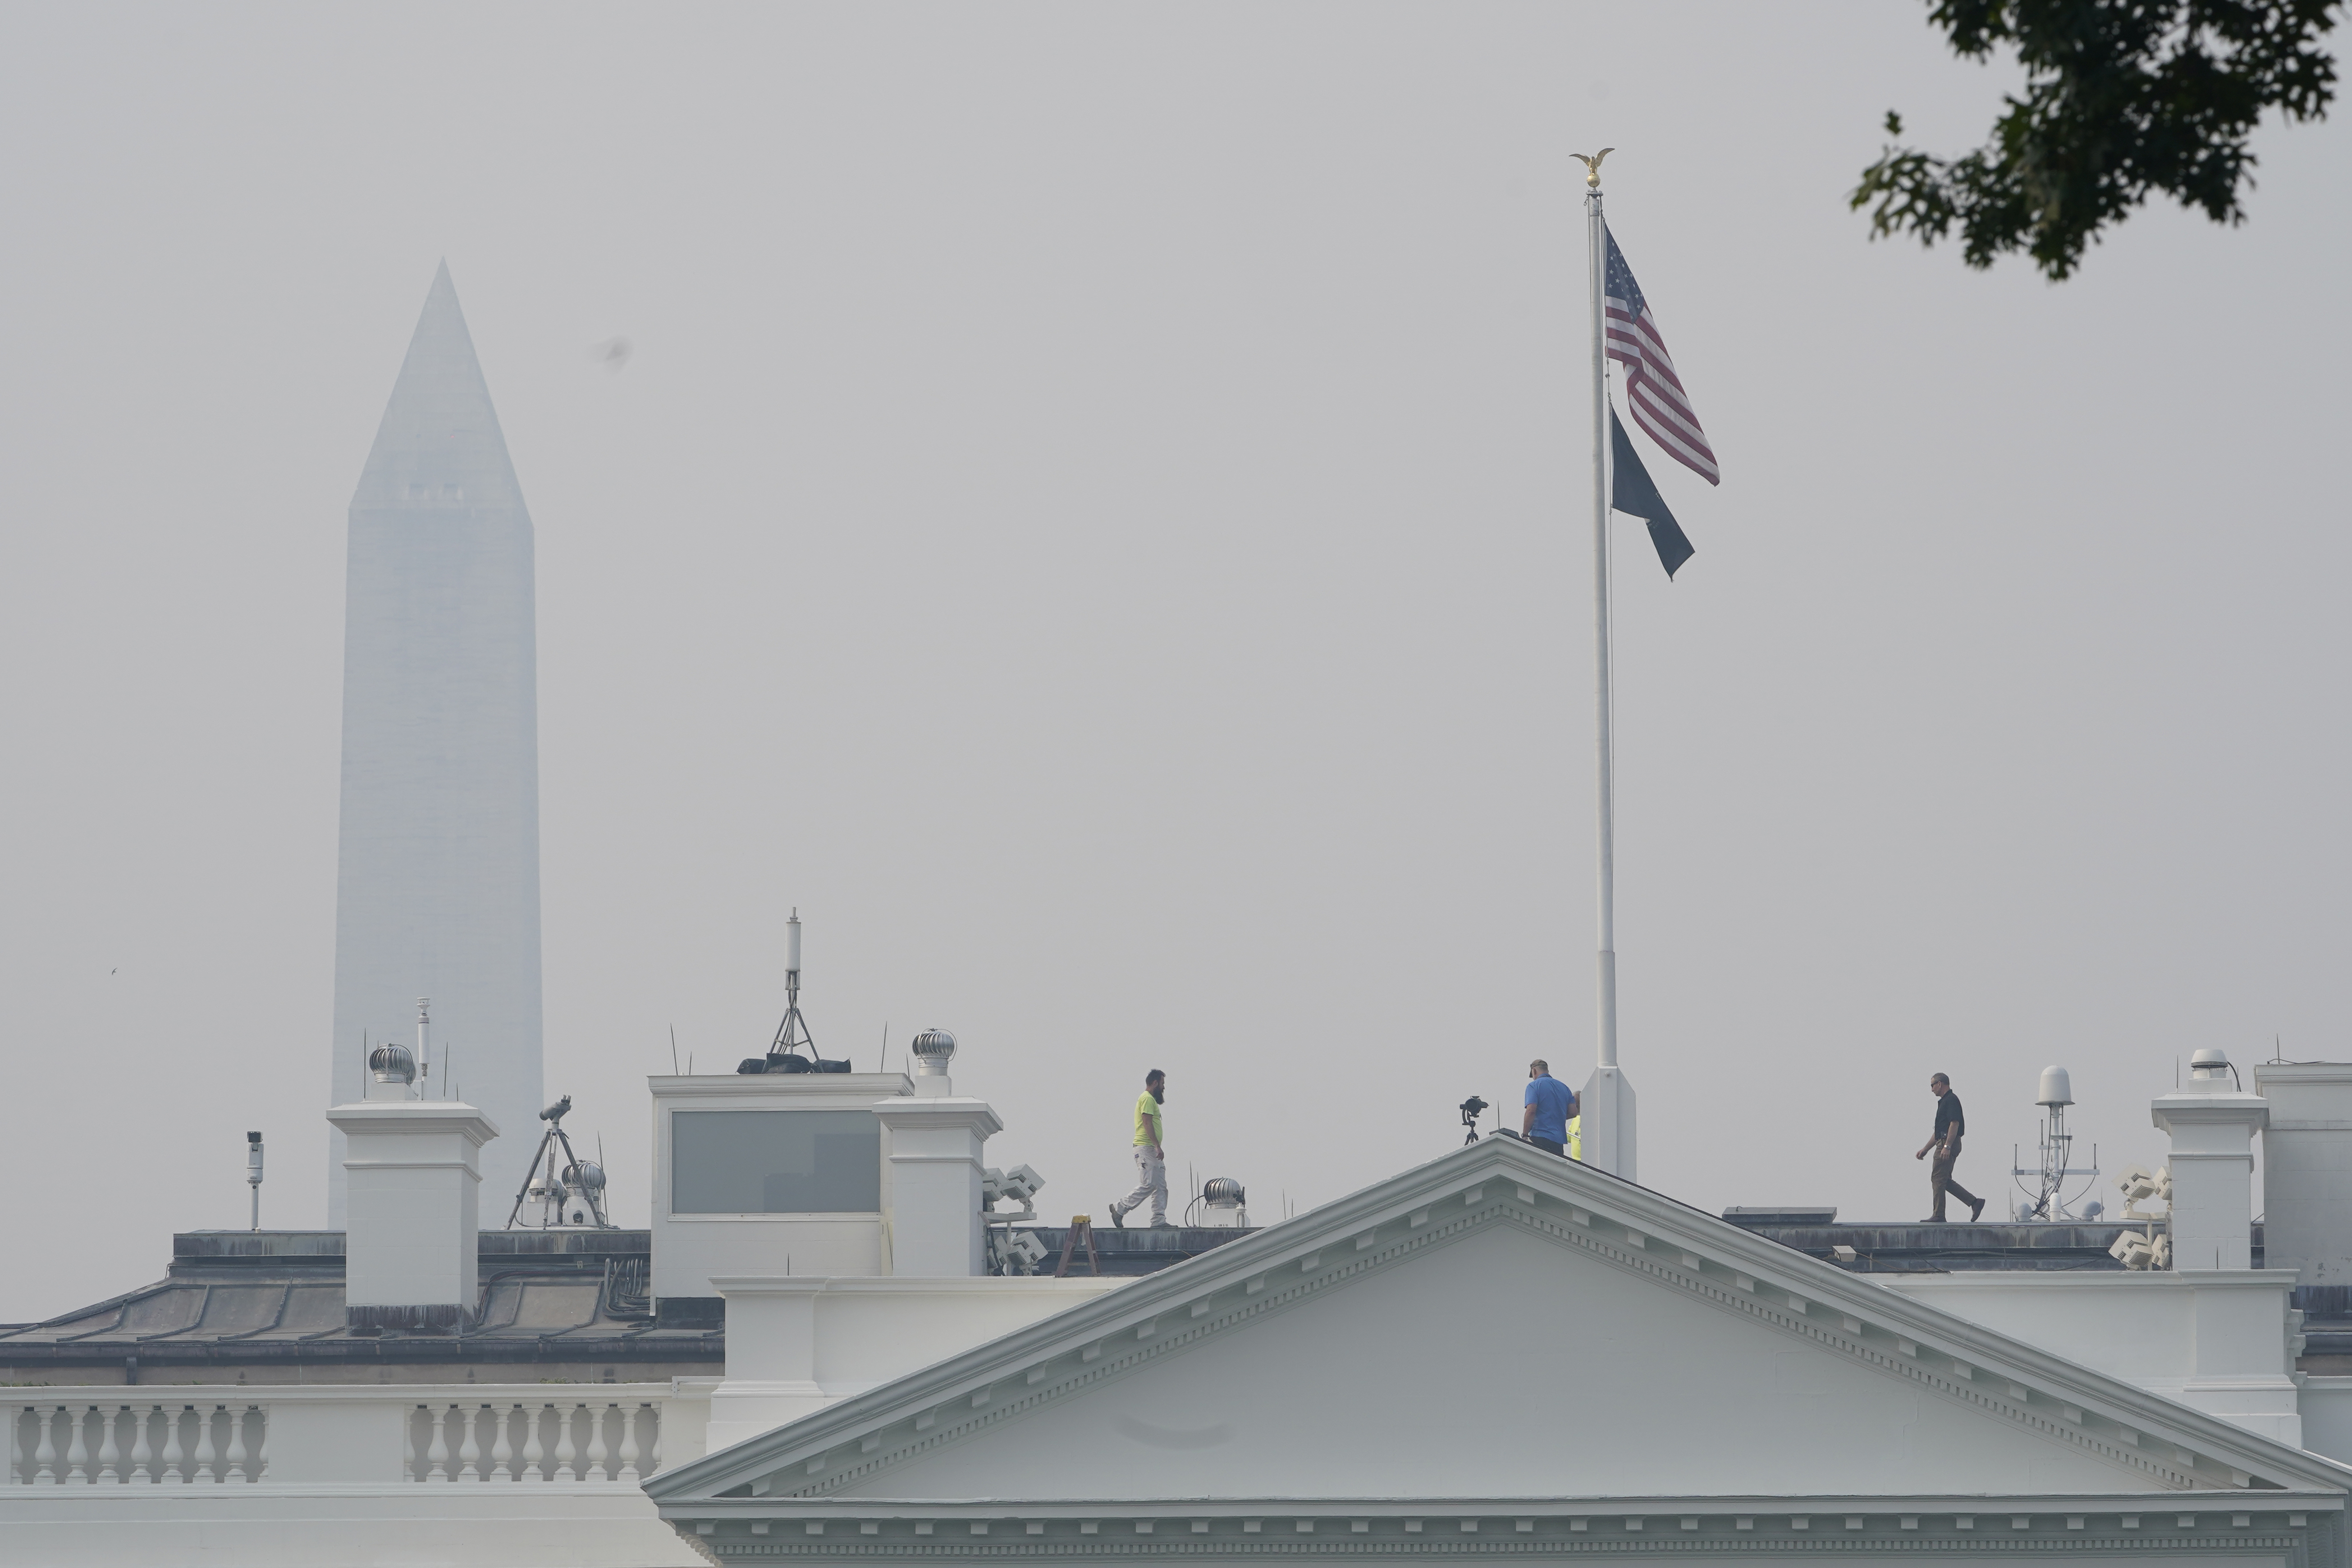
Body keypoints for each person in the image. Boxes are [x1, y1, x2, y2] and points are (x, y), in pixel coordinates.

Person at [1916, 1072, 1986, 1222]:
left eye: (1933, 1085)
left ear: (1940, 1084)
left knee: (1938, 1178)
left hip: (1947, 1143)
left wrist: (1947, 1146)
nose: (1932, 1089)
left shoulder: (1951, 1100)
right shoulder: (1945, 1102)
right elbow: (1939, 1131)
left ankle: (1939, 1215)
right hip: (1944, 1142)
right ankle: (1975, 1202)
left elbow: (1955, 1123)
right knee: (1944, 1180)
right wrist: (1926, 1149)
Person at [1109, 1069, 1169, 1228]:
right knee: (1149, 1183)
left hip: (1151, 1149)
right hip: (1146, 1148)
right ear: (1155, 1083)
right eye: (1162, 1083)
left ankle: (1158, 1220)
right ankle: (1120, 1208)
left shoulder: (1150, 1100)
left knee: (1160, 1186)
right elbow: (1147, 1122)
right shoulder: (1147, 1099)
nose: (1164, 1087)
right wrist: (1157, 1146)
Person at [1521, 1059, 1578, 1158]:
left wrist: (1525, 1135)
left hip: (1540, 1137)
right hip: (1558, 1141)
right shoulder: (1564, 1088)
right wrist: (1557, 1116)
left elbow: (1531, 1111)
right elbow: (1573, 1113)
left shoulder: (1534, 1086)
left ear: (1534, 1071)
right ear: (1547, 1070)